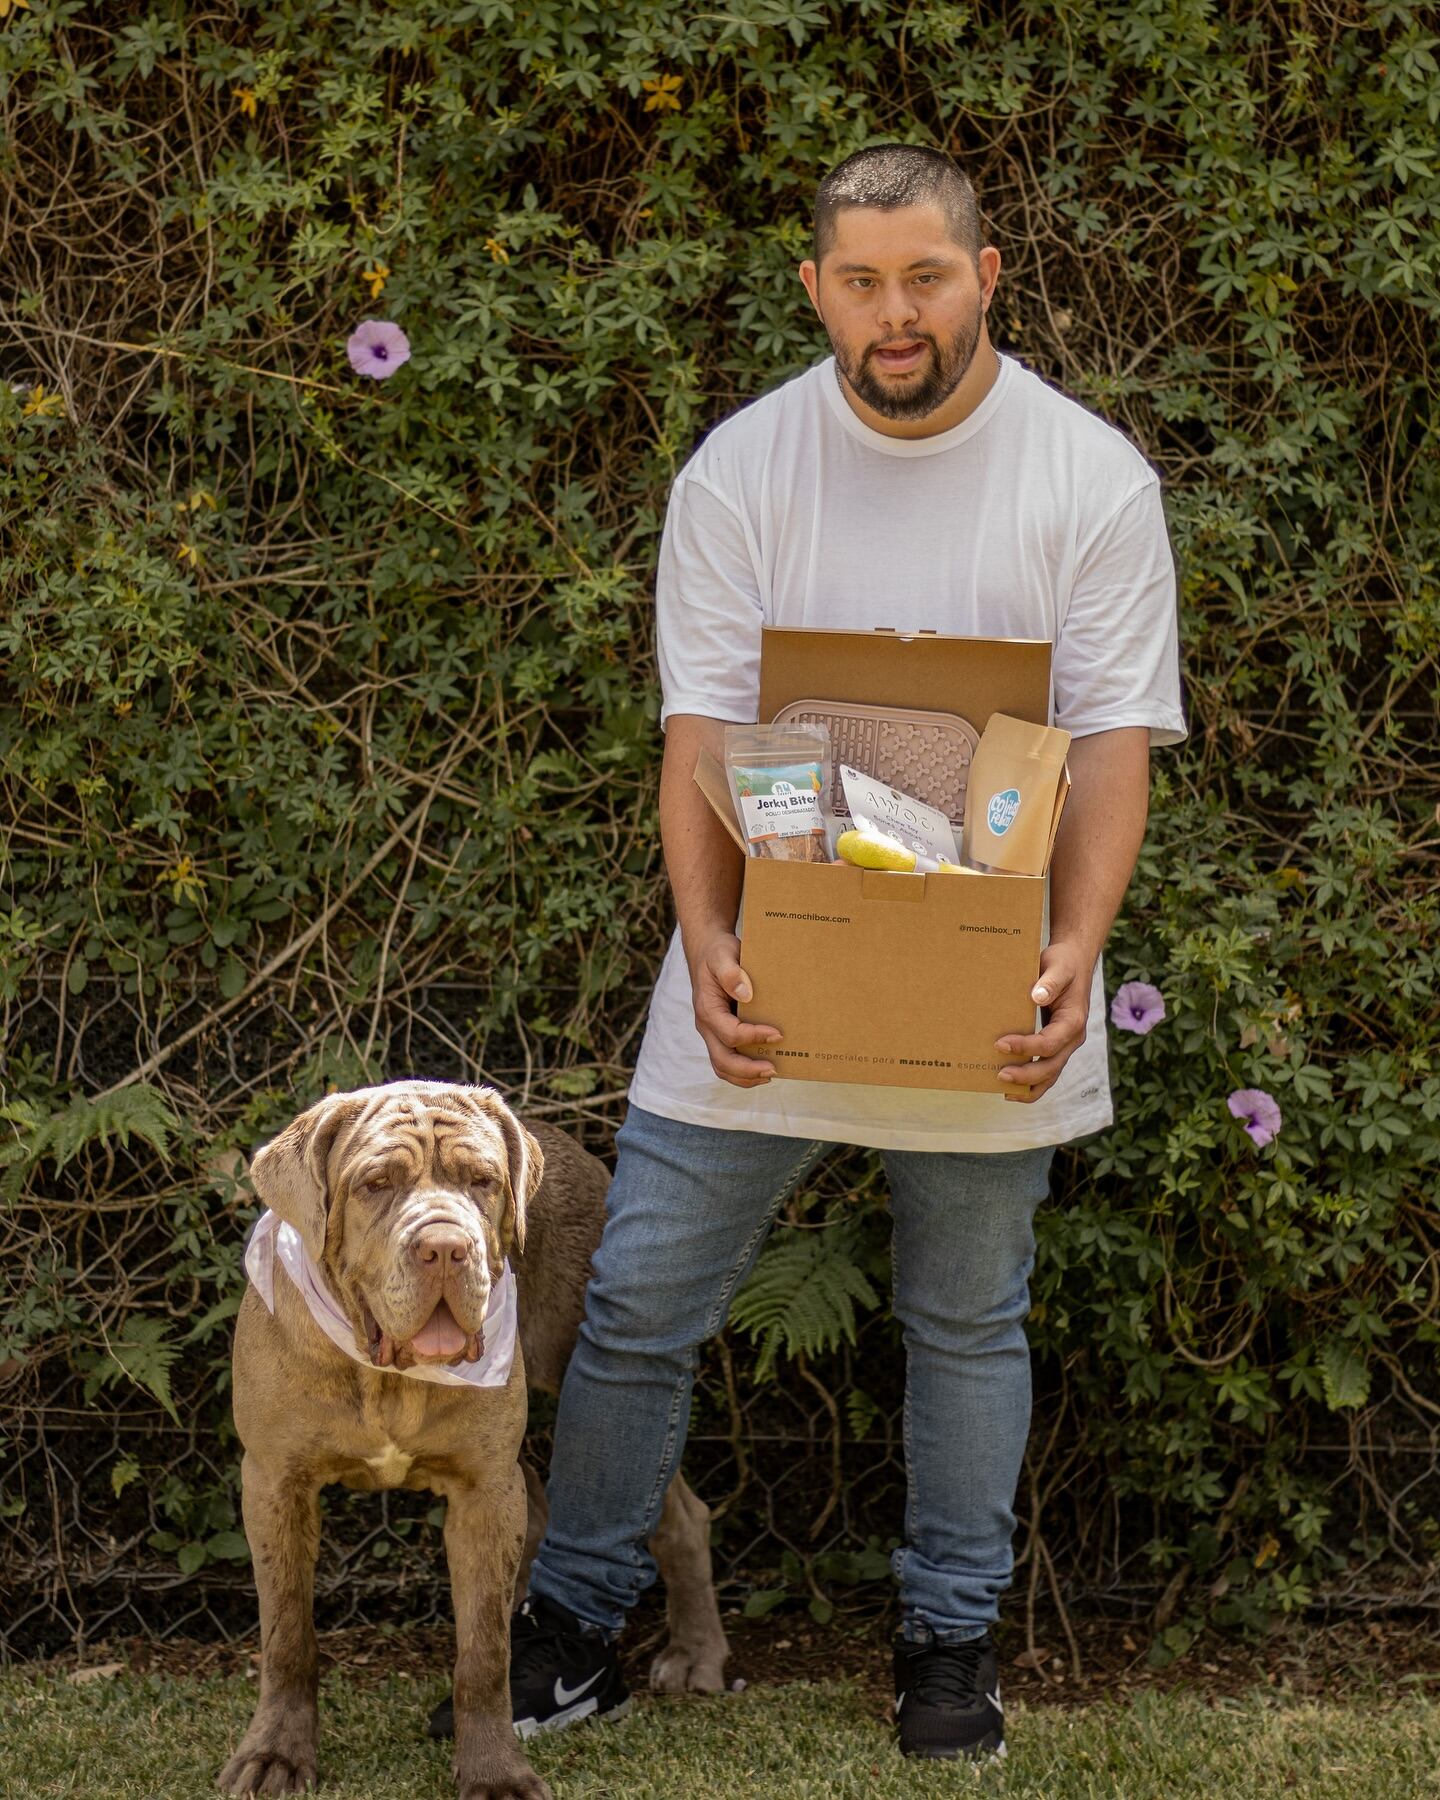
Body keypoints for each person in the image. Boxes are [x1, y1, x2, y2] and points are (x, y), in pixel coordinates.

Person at [432, 142, 1186, 1762]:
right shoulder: (744, 469)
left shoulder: (1089, 478)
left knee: (968, 1320)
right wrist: (703, 940)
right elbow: (699, 724)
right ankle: (570, 1623)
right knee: (634, 1304)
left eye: (924, 277)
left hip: (994, 980)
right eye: (860, 282)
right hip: (762, 970)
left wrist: (1077, 950)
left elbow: (1115, 741)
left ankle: (949, 1642)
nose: (892, 315)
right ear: (814, 290)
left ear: (985, 276)